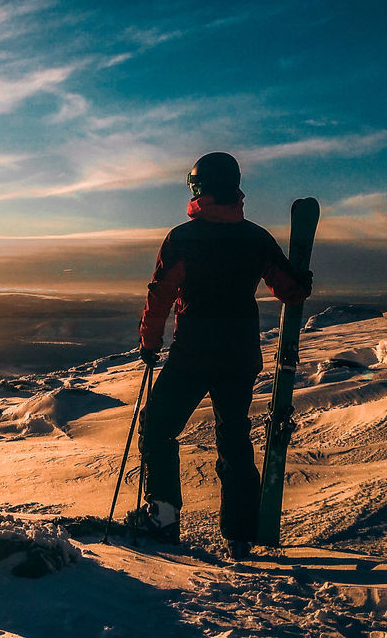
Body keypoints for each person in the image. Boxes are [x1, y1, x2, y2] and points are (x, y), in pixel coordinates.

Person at [131, 151, 311, 560]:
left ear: (201, 188)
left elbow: (160, 294)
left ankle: (162, 518)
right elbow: (289, 292)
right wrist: (302, 282)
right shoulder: (256, 237)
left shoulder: (183, 238)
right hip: (240, 353)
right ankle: (240, 535)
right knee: (233, 437)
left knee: (158, 427)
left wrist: (149, 344)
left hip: (193, 352)